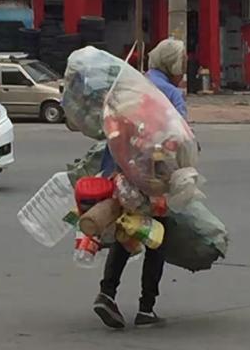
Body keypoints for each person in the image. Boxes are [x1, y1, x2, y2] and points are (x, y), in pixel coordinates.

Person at [94, 38, 187, 329]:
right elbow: (181, 137)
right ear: (173, 65)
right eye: (182, 64)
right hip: (155, 177)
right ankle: (146, 307)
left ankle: (106, 293)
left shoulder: (133, 83)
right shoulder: (171, 93)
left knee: (127, 230)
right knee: (156, 238)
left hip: (122, 173)